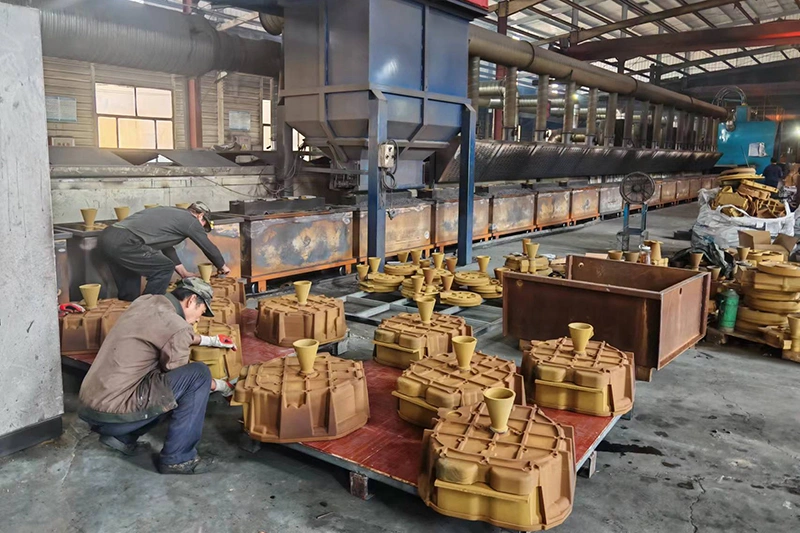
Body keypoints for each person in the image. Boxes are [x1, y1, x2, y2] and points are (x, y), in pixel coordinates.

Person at [78, 278, 236, 474]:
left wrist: (211, 340)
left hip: (90, 407)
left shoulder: (146, 302)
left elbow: (163, 333)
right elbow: (182, 382)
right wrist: (222, 386)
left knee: (149, 371)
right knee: (198, 375)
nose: (198, 319)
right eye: (201, 312)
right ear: (191, 300)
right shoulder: (177, 325)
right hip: (113, 415)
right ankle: (178, 459)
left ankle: (123, 438)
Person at [99, 202, 231, 301]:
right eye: (204, 223)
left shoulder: (171, 213)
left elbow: (166, 247)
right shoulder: (190, 220)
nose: (202, 227)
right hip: (127, 241)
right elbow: (207, 246)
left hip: (108, 237)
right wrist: (222, 266)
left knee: (130, 291)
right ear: (200, 215)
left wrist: (183, 273)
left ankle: (128, 316)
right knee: (164, 268)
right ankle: (149, 310)